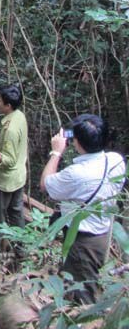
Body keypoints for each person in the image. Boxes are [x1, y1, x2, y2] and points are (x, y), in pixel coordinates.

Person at [40, 114, 125, 303]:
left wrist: (56, 153)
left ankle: (85, 328)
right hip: (101, 235)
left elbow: (45, 184)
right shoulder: (115, 160)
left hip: (83, 241)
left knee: (82, 295)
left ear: (76, 142)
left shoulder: (77, 174)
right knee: (82, 282)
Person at [0, 84, 28, 258]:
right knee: (16, 214)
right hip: (18, 177)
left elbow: (8, 161)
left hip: (4, 182)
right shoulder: (20, 116)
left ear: (8, 105)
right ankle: (21, 252)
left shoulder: (10, 130)